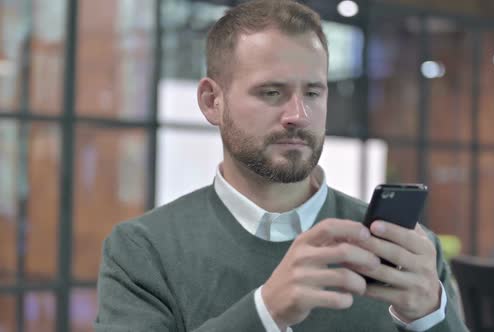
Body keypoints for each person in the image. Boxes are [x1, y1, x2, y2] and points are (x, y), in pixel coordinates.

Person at [95, 0, 468, 331]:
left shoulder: (405, 252)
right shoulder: (143, 251)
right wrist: (265, 313)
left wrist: (431, 318)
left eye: (313, 92)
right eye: (272, 92)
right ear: (212, 101)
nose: (298, 115)